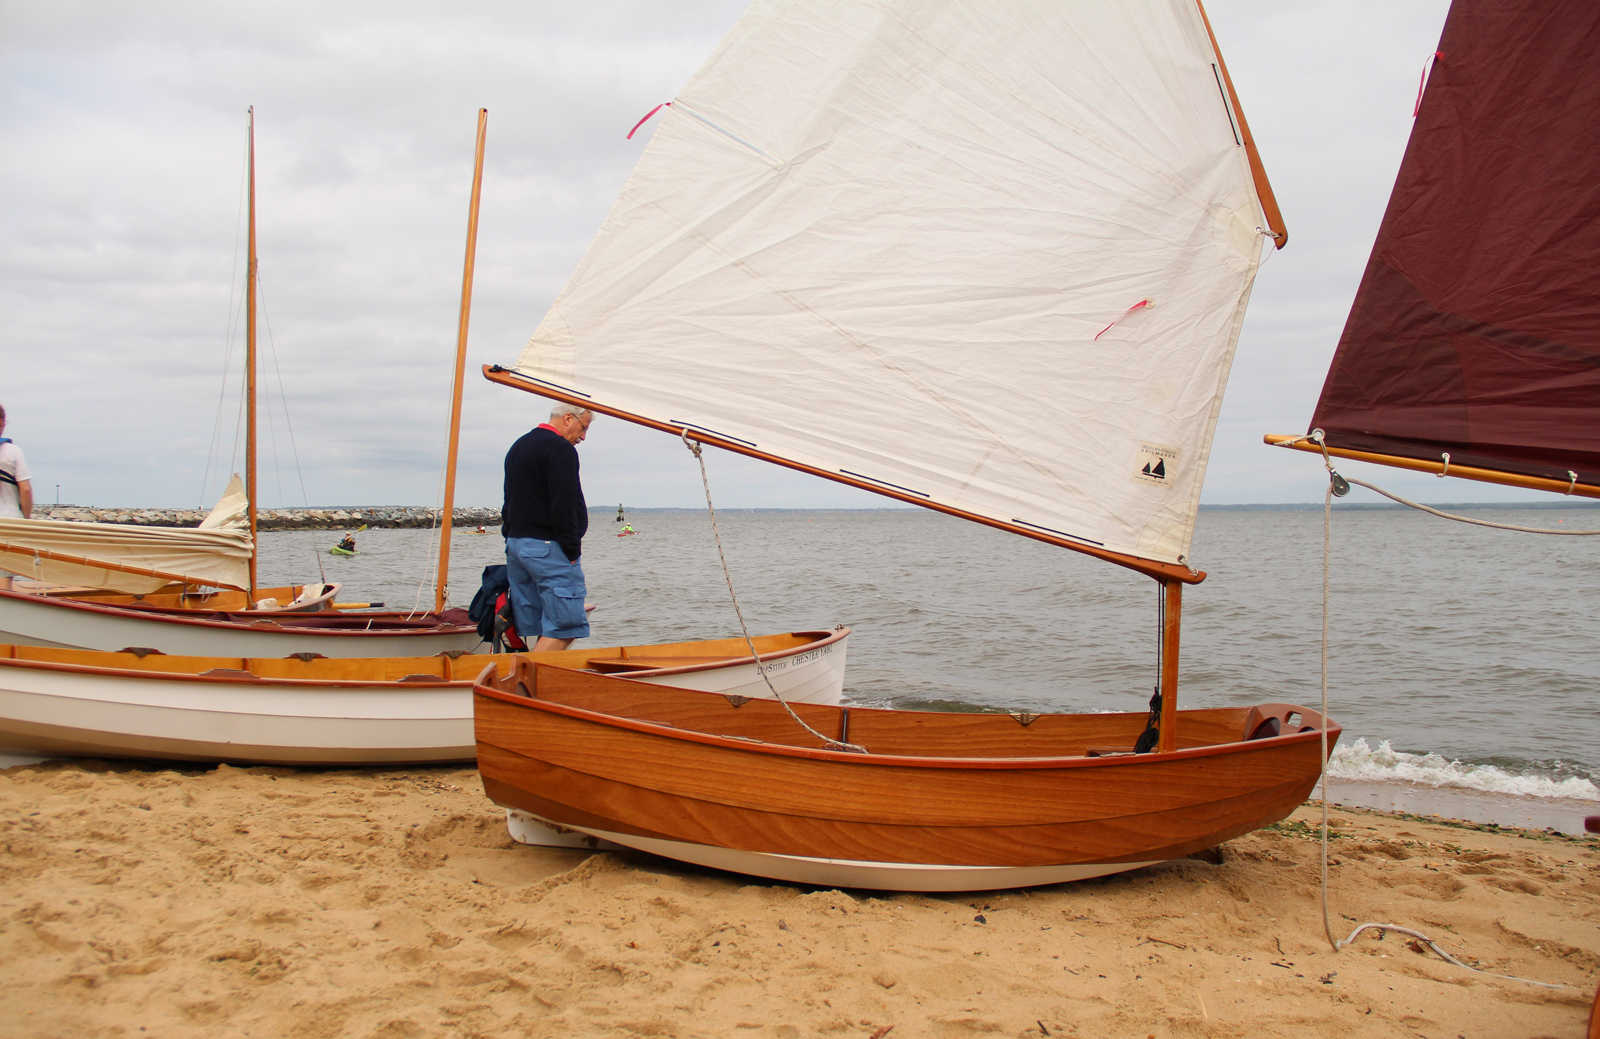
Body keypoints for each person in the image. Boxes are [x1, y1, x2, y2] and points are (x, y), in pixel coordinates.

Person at [502, 402, 593, 651]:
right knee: (565, 626)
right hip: (547, 547)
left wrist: (509, 536)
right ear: (567, 418)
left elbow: (508, 498)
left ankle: (528, 677)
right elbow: (563, 505)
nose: (583, 436)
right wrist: (572, 550)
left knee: (537, 625)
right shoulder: (560, 449)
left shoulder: (518, 446)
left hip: (517, 546)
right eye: (583, 428)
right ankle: (524, 685)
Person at [0, 403, 34, 592]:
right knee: (4, 578)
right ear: (2, 422)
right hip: (10, 521)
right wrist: (26, 519)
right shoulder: (13, 452)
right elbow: (26, 490)